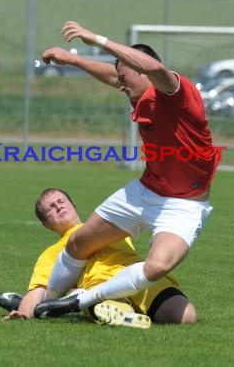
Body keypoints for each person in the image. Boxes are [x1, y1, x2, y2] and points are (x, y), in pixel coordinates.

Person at [30, 21, 218, 319]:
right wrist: (73, 59)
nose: (120, 84)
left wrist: (96, 39)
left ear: (143, 70)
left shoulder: (176, 92)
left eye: (125, 77)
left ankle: (82, 300)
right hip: (145, 192)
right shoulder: (138, 92)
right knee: (79, 243)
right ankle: (43, 303)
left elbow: (153, 69)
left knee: (158, 266)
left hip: (184, 205)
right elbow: (116, 74)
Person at [0, 188, 197, 328]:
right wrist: (24, 311)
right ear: (46, 225)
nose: (58, 207)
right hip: (99, 286)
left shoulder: (109, 223)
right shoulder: (52, 253)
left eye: (61, 201)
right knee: (109, 306)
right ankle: (115, 309)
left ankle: (122, 310)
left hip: (138, 273)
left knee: (186, 316)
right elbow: (39, 289)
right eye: (50, 208)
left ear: (73, 205)